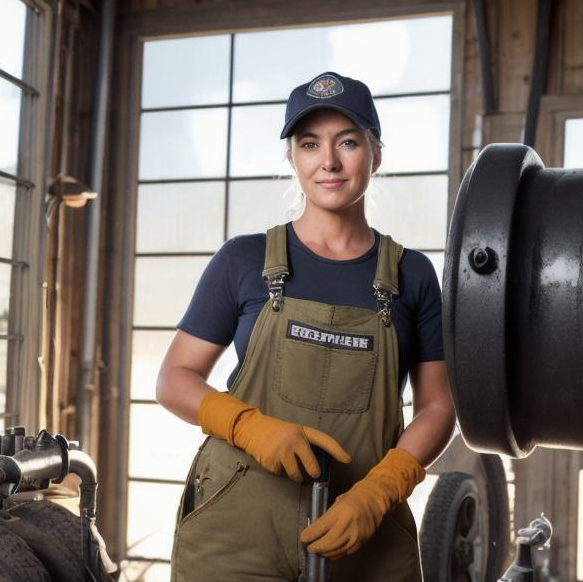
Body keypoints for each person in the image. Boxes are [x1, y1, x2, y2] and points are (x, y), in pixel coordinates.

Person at [157, 71, 455, 581]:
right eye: (310, 144)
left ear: (375, 155)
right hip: (236, 532)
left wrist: (380, 490)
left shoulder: (413, 275)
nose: (329, 162)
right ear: (293, 158)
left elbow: (438, 406)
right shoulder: (243, 260)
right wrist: (249, 427)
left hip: (366, 534)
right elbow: (174, 379)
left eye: (348, 142)